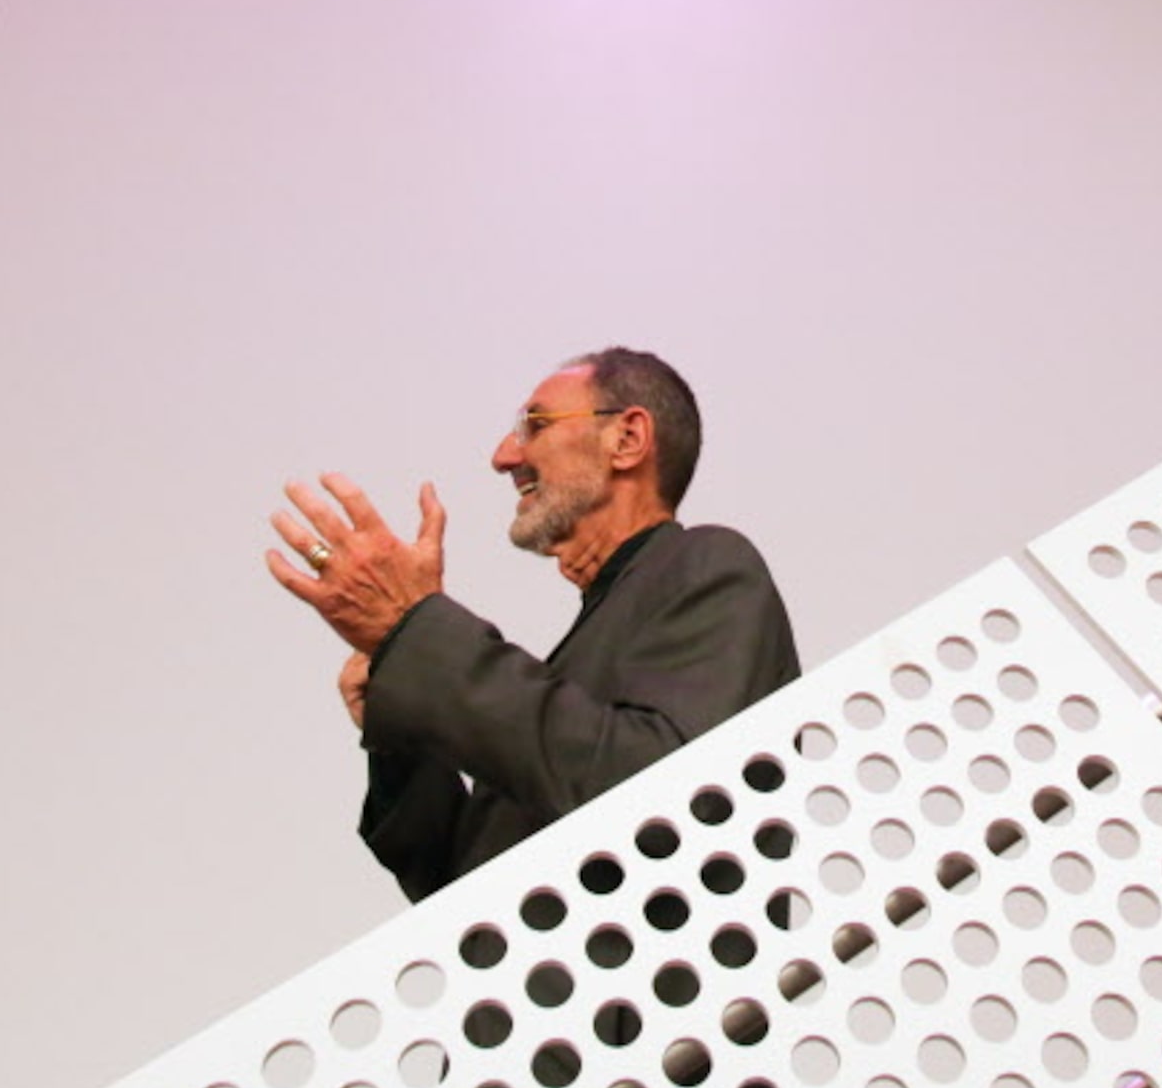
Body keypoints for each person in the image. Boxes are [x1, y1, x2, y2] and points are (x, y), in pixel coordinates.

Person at [267, 348, 800, 898]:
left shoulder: (708, 564)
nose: (503, 456)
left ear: (627, 439)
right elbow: (453, 886)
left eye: (534, 425)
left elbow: (663, 798)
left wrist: (418, 630)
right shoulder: (582, 665)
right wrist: (400, 712)